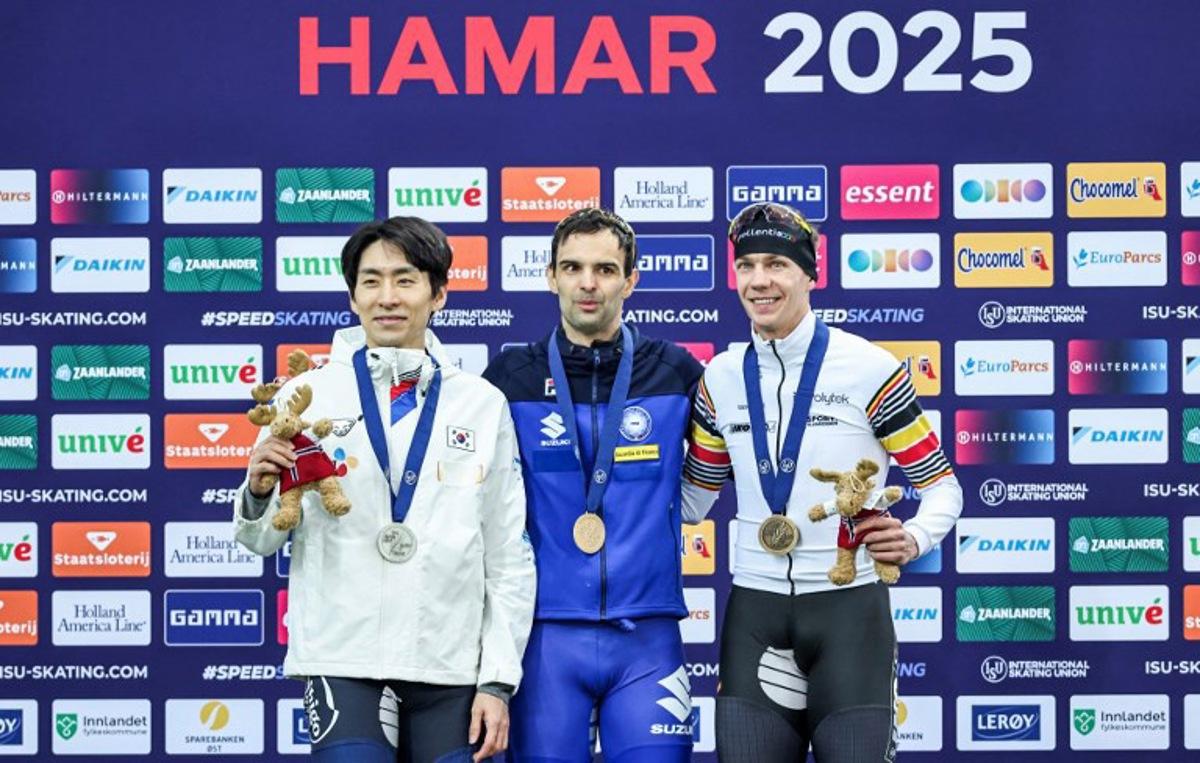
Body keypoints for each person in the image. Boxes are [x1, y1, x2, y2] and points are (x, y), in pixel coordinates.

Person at [233, 217, 535, 763]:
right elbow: (260, 541)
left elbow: (507, 555)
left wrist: (497, 680)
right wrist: (257, 492)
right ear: (352, 296)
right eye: (371, 281)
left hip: (448, 663)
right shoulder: (305, 396)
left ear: (438, 292)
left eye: (405, 279)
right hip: (343, 657)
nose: (387, 297)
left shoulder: (481, 403)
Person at [681, 202, 963, 762]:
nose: (760, 281)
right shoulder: (720, 378)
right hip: (755, 615)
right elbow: (693, 503)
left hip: (849, 615)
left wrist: (915, 538)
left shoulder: (869, 368)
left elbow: (943, 487)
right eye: (747, 266)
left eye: (778, 265)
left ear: (811, 274)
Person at [483, 208, 704, 762]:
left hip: (648, 637)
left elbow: (743, 463)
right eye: (572, 267)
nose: (588, 283)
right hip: (545, 639)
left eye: (605, 269)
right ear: (550, 275)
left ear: (632, 280)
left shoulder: (675, 371)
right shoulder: (507, 379)